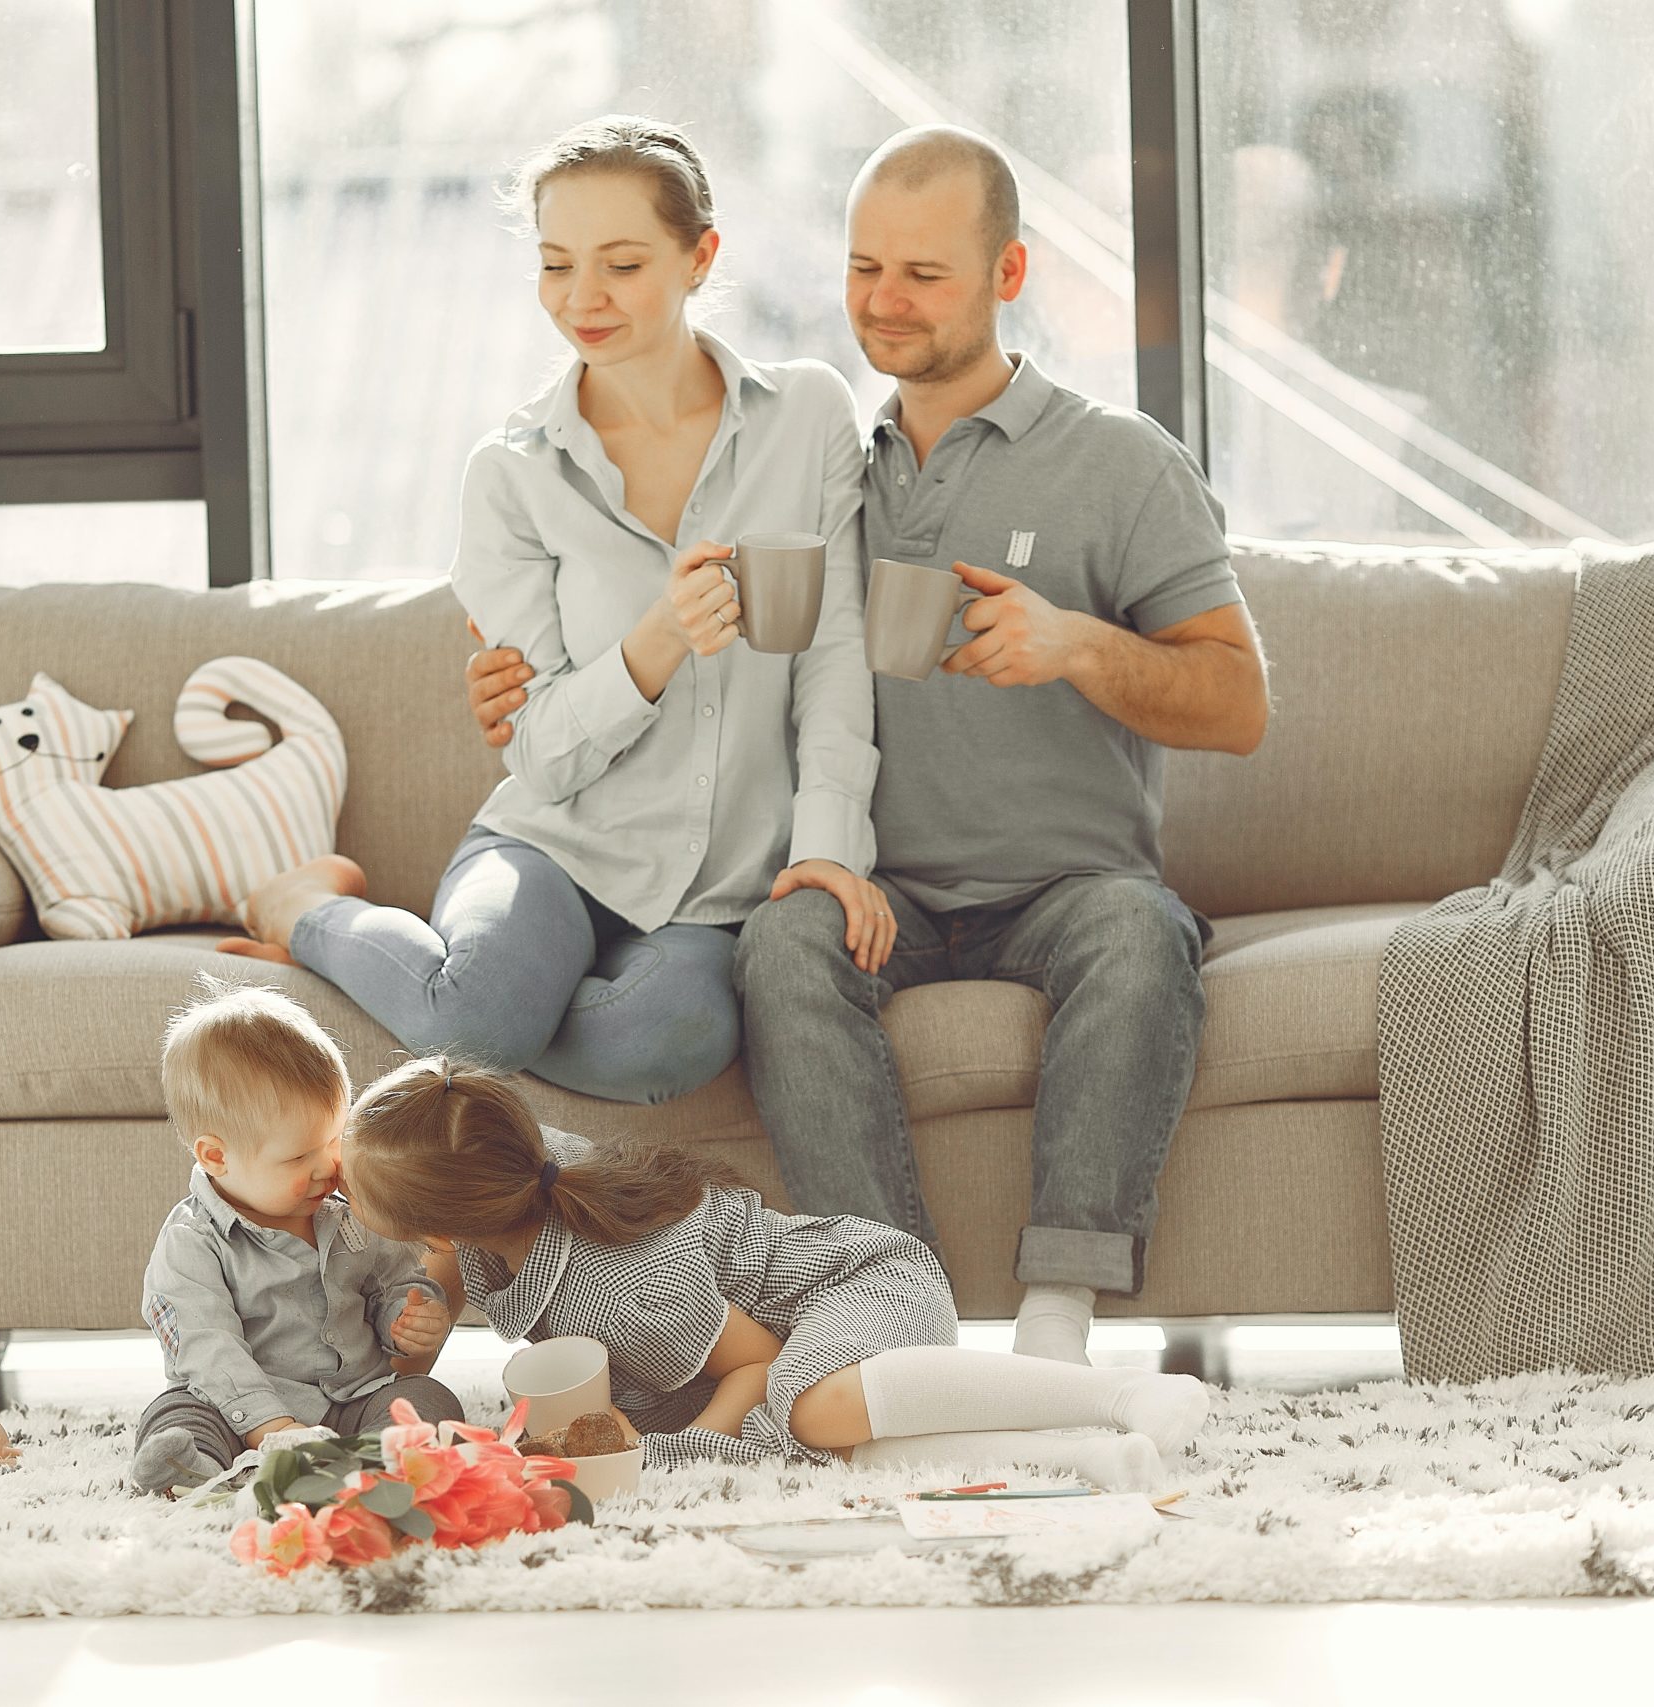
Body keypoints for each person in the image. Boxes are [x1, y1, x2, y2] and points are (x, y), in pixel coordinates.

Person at [468, 126, 1271, 1363]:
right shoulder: (828, 450)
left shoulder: (1119, 463)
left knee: (1137, 932)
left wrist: (1076, 647)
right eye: (861, 269)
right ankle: (900, 1313)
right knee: (783, 943)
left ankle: (1059, 1311)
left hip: (1067, 885)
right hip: (874, 885)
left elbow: (1238, 703)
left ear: (1008, 277)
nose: (882, 304)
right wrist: (522, 681)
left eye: (923, 276)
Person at [219, 115, 888, 1106]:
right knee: (476, 1021)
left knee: (671, 1038)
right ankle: (305, 909)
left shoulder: (808, 416)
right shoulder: (513, 475)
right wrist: (658, 641)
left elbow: (833, 652)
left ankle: (493, 992)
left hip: (719, 891)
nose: (582, 299)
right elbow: (538, 752)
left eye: (621, 263)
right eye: (555, 265)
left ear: (700, 256)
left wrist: (826, 849)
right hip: (554, 846)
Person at [337, 1057, 1210, 1475]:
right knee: (845, 1448)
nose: (335, 1185)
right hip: (814, 1333)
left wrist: (692, 1448)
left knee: (801, 1411)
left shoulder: (624, 1287)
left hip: (866, 1285)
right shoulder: (516, 1169)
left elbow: (754, 1361)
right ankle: (1085, 1460)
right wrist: (428, 1310)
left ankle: (1118, 1395)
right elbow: (449, 1273)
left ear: (444, 1222)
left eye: (352, 1186)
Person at [129, 985, 463, 1495]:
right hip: (240, 1412)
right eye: (298, 1157)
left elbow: (396, 1281)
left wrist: (409, 1316)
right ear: (216, 1157)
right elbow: (207, 1348)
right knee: (176, 1413)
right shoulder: (191, 1242)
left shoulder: (347, 1215)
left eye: (335, 1140)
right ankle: (194, 1470)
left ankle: (368, 1463)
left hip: (352, 1400)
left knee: (429, 1398)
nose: (329, 1166)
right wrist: (271, 1430)